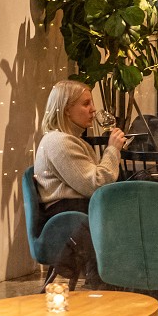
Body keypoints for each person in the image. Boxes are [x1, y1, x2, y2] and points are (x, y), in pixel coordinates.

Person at [32, 79, 126, 286]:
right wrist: (113, 150)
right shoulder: (60, 142)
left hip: (77, 215)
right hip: (67, 220)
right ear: (66, 109)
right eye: (86, 104)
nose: (93, 110)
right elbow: (96, 185)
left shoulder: (69, 140)